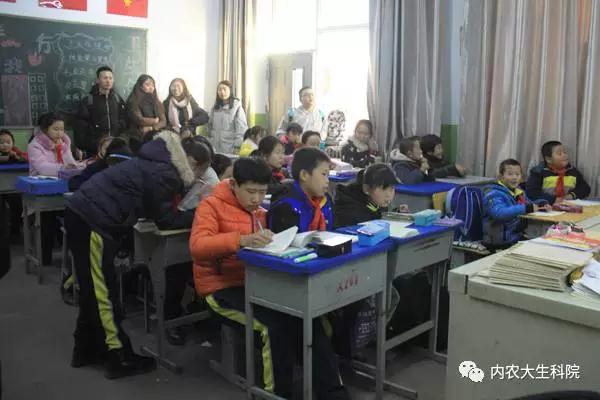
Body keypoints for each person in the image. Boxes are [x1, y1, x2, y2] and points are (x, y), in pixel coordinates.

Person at [191, 157, 349, 399]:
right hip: (221, 288)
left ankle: (332, 393)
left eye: (262, 192)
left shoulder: (261, 213)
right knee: (272, 329)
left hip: (260, 284)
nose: (256, 199)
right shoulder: (210, 206)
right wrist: (240, 240)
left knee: (308, 319)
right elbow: (198, 247)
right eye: (250, 191)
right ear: (233, 184)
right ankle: (277, 394)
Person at [64, 130, 212, 379]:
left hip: (84, 215)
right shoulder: (166, 173)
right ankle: (117, 356)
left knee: (93, 290)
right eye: (200, 173)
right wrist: (201, 214)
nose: (198, 179)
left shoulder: (157, 159)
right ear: (193, 163)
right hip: (93, 221)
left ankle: (86, 349)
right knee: (103, 293)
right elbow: (166, 219)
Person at [29, 112, 84, 265]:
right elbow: (42, 168)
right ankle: (44, 259)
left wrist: (75, 165)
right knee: (46, 222)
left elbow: (70, 163)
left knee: (73, 215)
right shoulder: (34, 145)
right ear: (45, 129)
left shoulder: (64, 143)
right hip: (41, 191)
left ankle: (72, 257)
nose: (60, 133)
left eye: (62, 129)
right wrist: (64, 168)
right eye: (56, 129)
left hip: (62, 187)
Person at [483, 159, 550, 250]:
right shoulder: (493, 193)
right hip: (498, 243)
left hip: (516, 238)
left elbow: (529, 204)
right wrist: (526, 208)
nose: (514, 177)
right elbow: (499, 213)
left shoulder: (519, 192)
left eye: (517, 174)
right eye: (510, 174)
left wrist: (541, 204)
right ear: (500, 177)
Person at [74, 66, 127, 157]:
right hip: (95, 147)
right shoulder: (88, 100)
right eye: (105, 78)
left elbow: (124, 117)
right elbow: (81, 125)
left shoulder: (117, 99)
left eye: (110, 78)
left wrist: (119, 127)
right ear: (98, 80)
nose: (108, 81)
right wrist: (84, 145)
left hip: (115, 145)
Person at [333, 163, 403, 228]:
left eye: (392, 188)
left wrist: (397, 213)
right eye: (382, 189)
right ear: (366, 189)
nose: (388, 195)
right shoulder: (349, 210)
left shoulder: (375, 202)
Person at [526, 140, 591, 204]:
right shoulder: (538, 172)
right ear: (548, 159)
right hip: (547, 206)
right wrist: (553, 200)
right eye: (559, 154)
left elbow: (585, 188)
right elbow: (532, 193)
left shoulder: (572, 171)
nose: (564, 155)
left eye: (565, 152)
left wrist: (571, 195)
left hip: (569, 205)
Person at [124, 74, 166, 153]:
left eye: (153, 85)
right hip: (138, 136)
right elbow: (139, 120)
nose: (151, 87)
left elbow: (163, 121)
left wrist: (152, 128)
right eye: (147, 84)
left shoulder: (157, 102)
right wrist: (154, 121)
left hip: (154, 134)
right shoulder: (133, 101)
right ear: (140, 86)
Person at [207, 80, 248, 154]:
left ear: (230, 91)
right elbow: (210, 127)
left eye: (224, 89)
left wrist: (238, 146)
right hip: (215, 148)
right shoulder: (215, 108)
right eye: (219, 90)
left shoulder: (236, 107)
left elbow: (241, 129)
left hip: (230, 148)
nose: (222, 92)